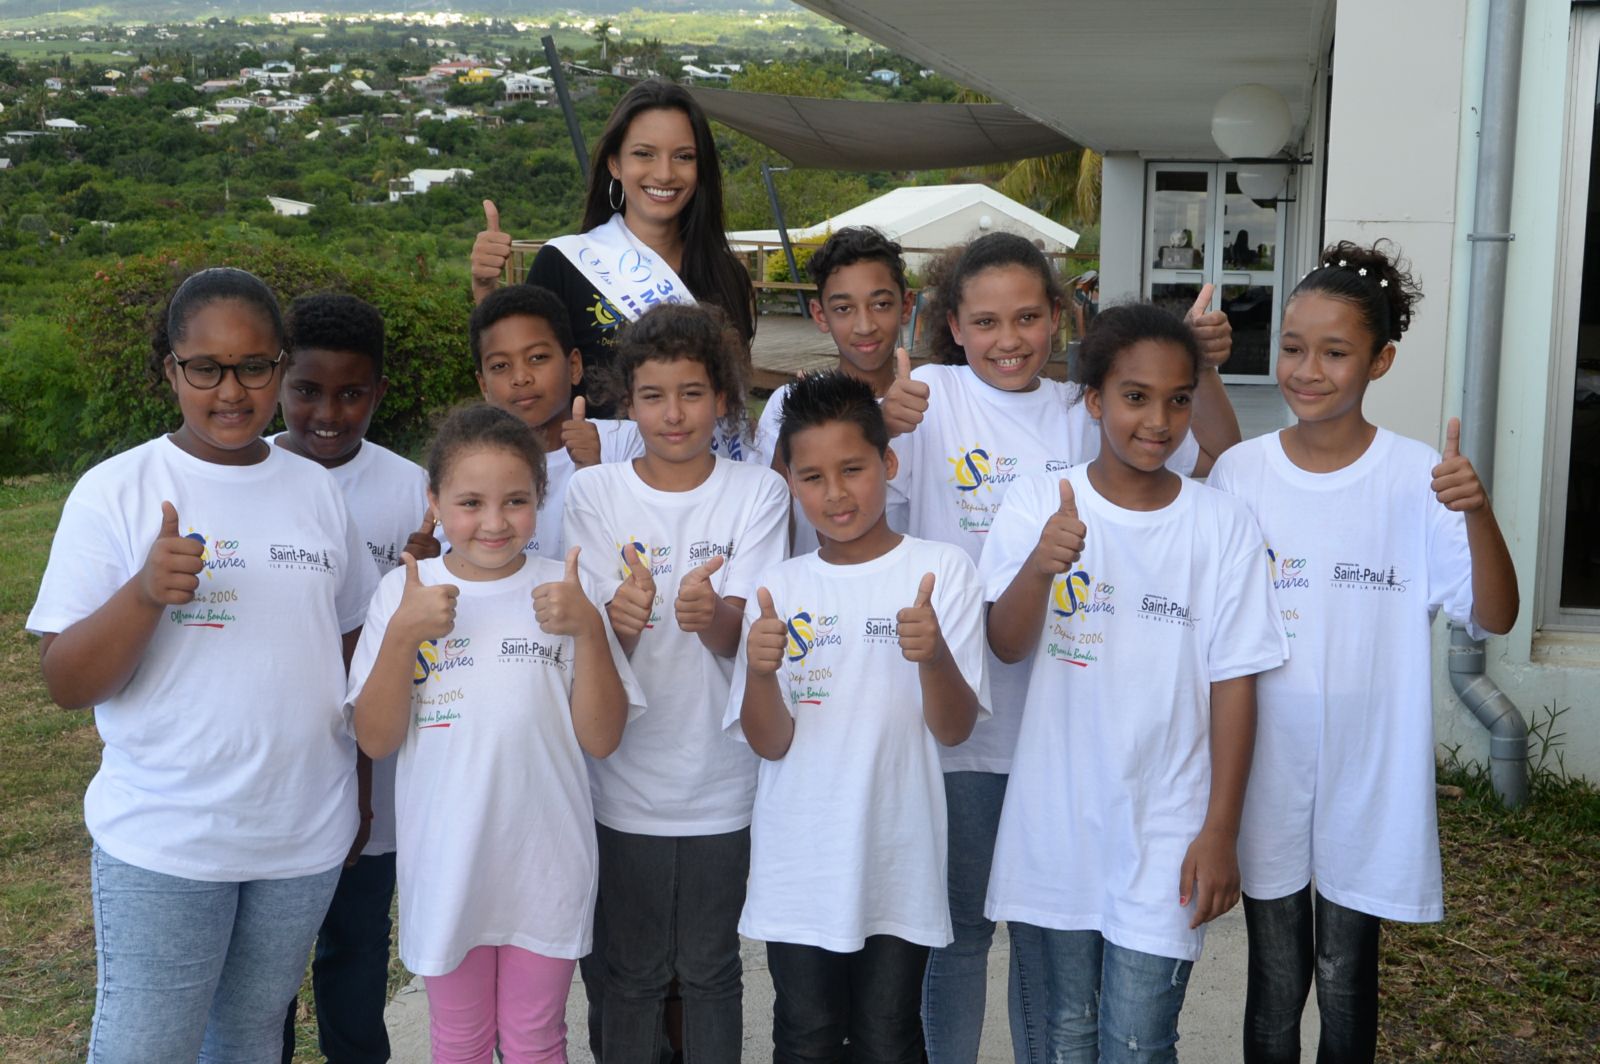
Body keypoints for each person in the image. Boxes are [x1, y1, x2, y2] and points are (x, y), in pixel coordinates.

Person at [877, 232, 1241, 1064]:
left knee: (1049, 943)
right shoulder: (928, 393)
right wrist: (880, 413)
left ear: (1061, 318)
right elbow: (851, 479)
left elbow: (1213, 454)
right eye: (988, 321)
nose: (1011, 339)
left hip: (1065, 723)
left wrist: (1202, 363)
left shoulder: (1087, 402)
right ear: (952, 326)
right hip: (967, 720)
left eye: (1030, 317)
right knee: (964, 931)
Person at [27, 267, 380, 1062]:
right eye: (205, 369)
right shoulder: (116, 490)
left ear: (281, 367)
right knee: (147, 1046)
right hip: (170, 838)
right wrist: (145, 593)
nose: (232, 390)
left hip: (300, 836)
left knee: (251, 1041)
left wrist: (358, 797)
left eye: (254, 366)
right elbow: (65, 682)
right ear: (171, 371)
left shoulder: (316, 491)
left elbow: (351, 649)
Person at [1206, 242, 1519, 1064]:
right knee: (1275, 980)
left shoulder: (1421, 478)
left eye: (1335, 352)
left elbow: (1495, 613)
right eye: (1292, 347)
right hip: (1264, 766)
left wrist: (1477, 513)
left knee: (1347, 975)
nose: (1307, 370)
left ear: (1379, 361)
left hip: (1369, 770)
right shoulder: (1240, 475)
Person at [979, 302, 1287, 1064]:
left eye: (1179, 398)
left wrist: (1220, 831)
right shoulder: (1036, 505)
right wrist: (1041, 567)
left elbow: (1236, 685)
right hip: (1058, 827)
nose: (1159, 420)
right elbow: (1005, 645)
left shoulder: (1221, 525)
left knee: (1139, 1041)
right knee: (1068, 1032)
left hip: (1170, 827)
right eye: (1135, 397)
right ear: (1093, 401)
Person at [347, 402, 642, 1063]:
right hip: (448, 863)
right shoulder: (402, 593)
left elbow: (602, 738)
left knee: (538, 1039)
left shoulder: (569, 590)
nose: (493, 522)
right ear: (434, 501)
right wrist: (401, 637)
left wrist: (589, 630)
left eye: (515, 501)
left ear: (541, 498)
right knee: (460, 1040)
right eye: (470, 501)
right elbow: (375, 739)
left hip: (548, 865)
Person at [728, 370, 988, 1064]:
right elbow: (769, 741)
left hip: (897, 859)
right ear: (788, 481)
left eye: (853, 469)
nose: (836, 494)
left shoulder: (943, 571)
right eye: (813, 477)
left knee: (889, 1036)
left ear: (889, 463)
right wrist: (758, 672)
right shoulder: (778, 587)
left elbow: (955, 729)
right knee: (805, 1036)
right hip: (799, 866)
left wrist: (932, 656)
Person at [563, 302, 789, 1064]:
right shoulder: (593, 493)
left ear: (723, 397)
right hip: (621, 784)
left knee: (710, 974)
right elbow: (591, 646)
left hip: (724, 784)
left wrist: (710, 616)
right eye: (654, 395)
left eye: (693, 393)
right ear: (628, 401)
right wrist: (622, 621)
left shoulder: (759, 493)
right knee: (629, 977)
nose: (674, 413)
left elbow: (747, 637)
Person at [272, 292, 434, 1064]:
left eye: (351, 392)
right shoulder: (251, 474)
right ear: (279, 381)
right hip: (272, 778)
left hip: (379, 778)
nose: (328, 412)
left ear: (379, 390)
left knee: (356, 955)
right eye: (307, 389)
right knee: (262, 980)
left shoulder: (412, 489)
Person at [470, 80, 755, 416]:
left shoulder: (726, 275)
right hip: (590, 466)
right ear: (615, 164)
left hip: (699, 468)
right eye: (644, 154)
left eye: (683, 156)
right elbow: (519, 371)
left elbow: (731, 402)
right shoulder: (565, 264)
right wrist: (485, 290)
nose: (664, 174)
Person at [750, 226, 914, 554]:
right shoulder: (787, 403)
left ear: (906, 306)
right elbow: (768, 510)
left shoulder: (922, 405)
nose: (865, 325)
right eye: (843, 309)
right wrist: (803, 421)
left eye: (881, 304)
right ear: (820, 314)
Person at [470, 284, 645, 560]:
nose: (521, 377)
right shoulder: (468, 464)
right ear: (484, 386)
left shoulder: (629, 442)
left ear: (574, 366)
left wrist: (595, 474)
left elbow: (653, 545)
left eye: (537, 357)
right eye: (500, 366)